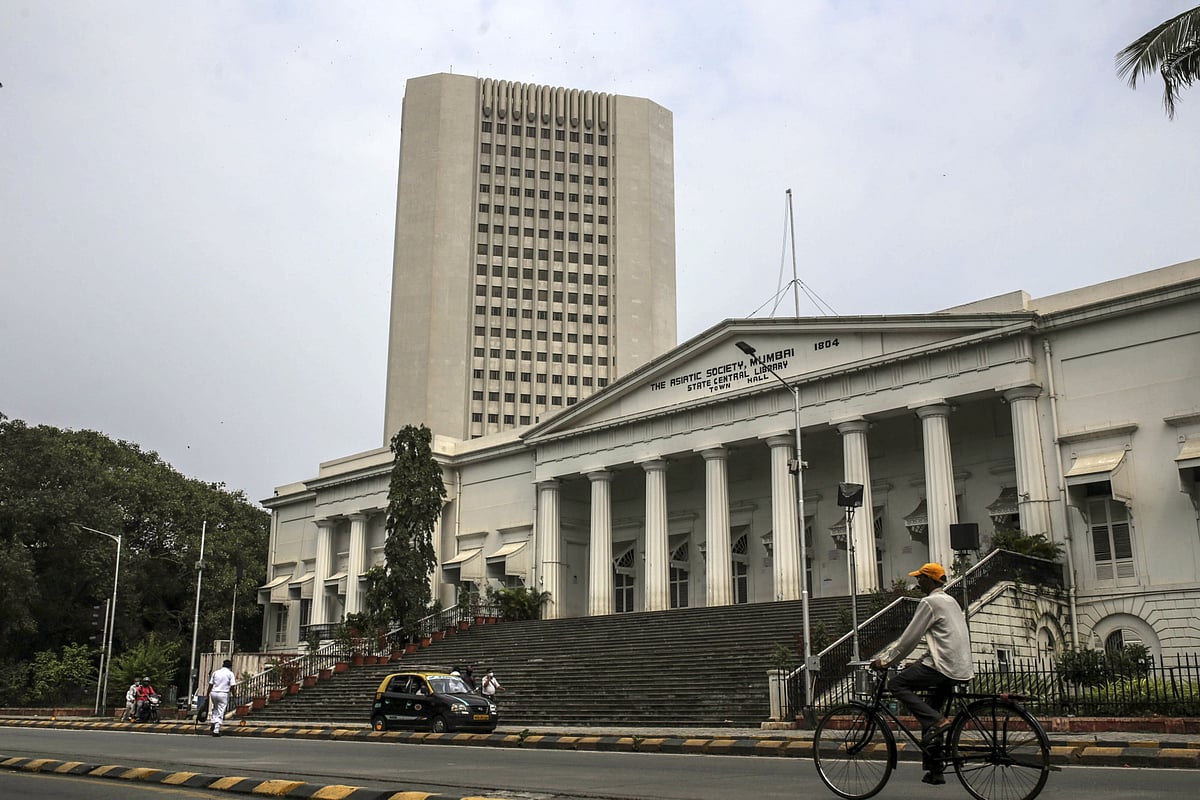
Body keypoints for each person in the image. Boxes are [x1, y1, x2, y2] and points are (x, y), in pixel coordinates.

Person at [870, 562, 972, 786]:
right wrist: (918, 662)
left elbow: (909, 639)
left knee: (896, 685)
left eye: (920, 578)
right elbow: (943, 640)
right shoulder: (951, 601)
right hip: (959, 666)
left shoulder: (929, 602)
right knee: (929, 712)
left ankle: (938, 721)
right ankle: (935, 771)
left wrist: (885, 661)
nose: (918, 582)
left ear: (929, 579)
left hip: (942, 667)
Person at [207, 658, 237, 737]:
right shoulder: (230, 674)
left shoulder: (216, 672)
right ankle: (216, 730)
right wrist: (234, 695)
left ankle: (213, 722)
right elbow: (233, 686)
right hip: (223, 693)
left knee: (215, 708)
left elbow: (210, 684)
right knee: (221, 711)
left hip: (214, 693)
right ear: (230, 666)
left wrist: (207, 694)